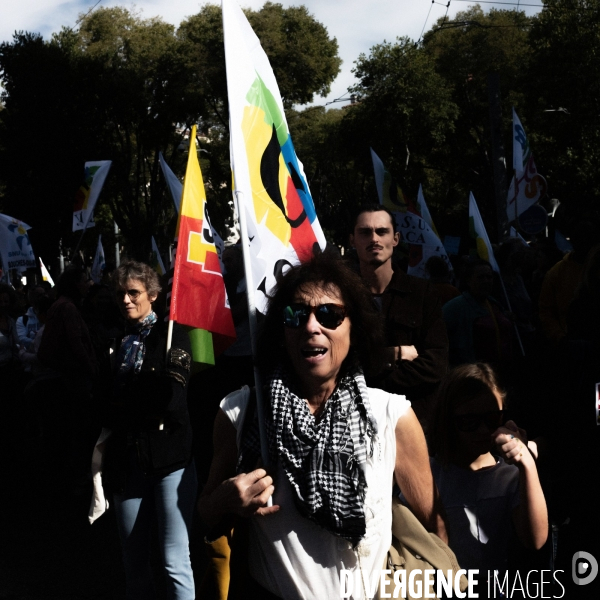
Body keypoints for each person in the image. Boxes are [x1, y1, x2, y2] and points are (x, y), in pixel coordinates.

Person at [198, 253, 446, 599]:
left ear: (355, 329)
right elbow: (205, 513)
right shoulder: (241, 413)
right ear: (282, 331)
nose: (311, 326)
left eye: (329, 314)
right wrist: (227, 499)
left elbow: (434, 529)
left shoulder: (391, 415)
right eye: (295, 314)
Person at [101, 260, 196, 600]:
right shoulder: (113, 341)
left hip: (171, 461)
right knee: (133, 560)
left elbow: (172, 397)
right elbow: (100, 399)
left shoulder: (173, 334)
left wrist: (128, 399)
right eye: (120, 294)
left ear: (153, 295)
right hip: (127, 463)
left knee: (174, 561)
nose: (126, 300)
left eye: (134, 293)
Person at [428, 363, 547, 580]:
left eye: (492, 419)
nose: (483, 430)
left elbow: (536, 539)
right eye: (469, 421)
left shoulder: (507, 476)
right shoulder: (430, 474)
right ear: (448, 421)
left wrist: (527, 464)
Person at [349, 204, 448, 425]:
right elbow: (343, 362)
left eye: (381, 231)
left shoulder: (423, 294)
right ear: (352, 240)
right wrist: (395, 354)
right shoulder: (341, 297)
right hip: (358, 421)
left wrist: (372, 380)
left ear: (395, 239)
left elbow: (436, 365)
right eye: (365, 232)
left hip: (416, 420)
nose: (374, 239)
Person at [443, 259, 515, 368]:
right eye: (481, 277)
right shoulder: (454, 308)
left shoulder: (494, 304)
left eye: (489, 277)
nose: (486, 281)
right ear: (468, 280)